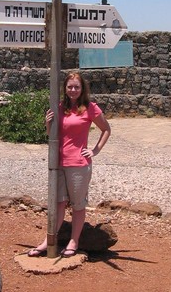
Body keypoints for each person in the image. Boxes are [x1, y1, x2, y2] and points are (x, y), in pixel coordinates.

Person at [28, 72, 111, 258]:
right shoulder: (59, 108)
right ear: (65, 89)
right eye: (70, 87)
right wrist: (47, 123)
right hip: (59, 163)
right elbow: (53, 136)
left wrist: (94, 151)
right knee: (58, 203)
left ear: (82, 89)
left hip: (79, 164)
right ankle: (48, 241)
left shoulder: (90, 108)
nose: (73, 90)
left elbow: (106, 129)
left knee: (77, 205)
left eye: (77, 87)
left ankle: (74, 241)